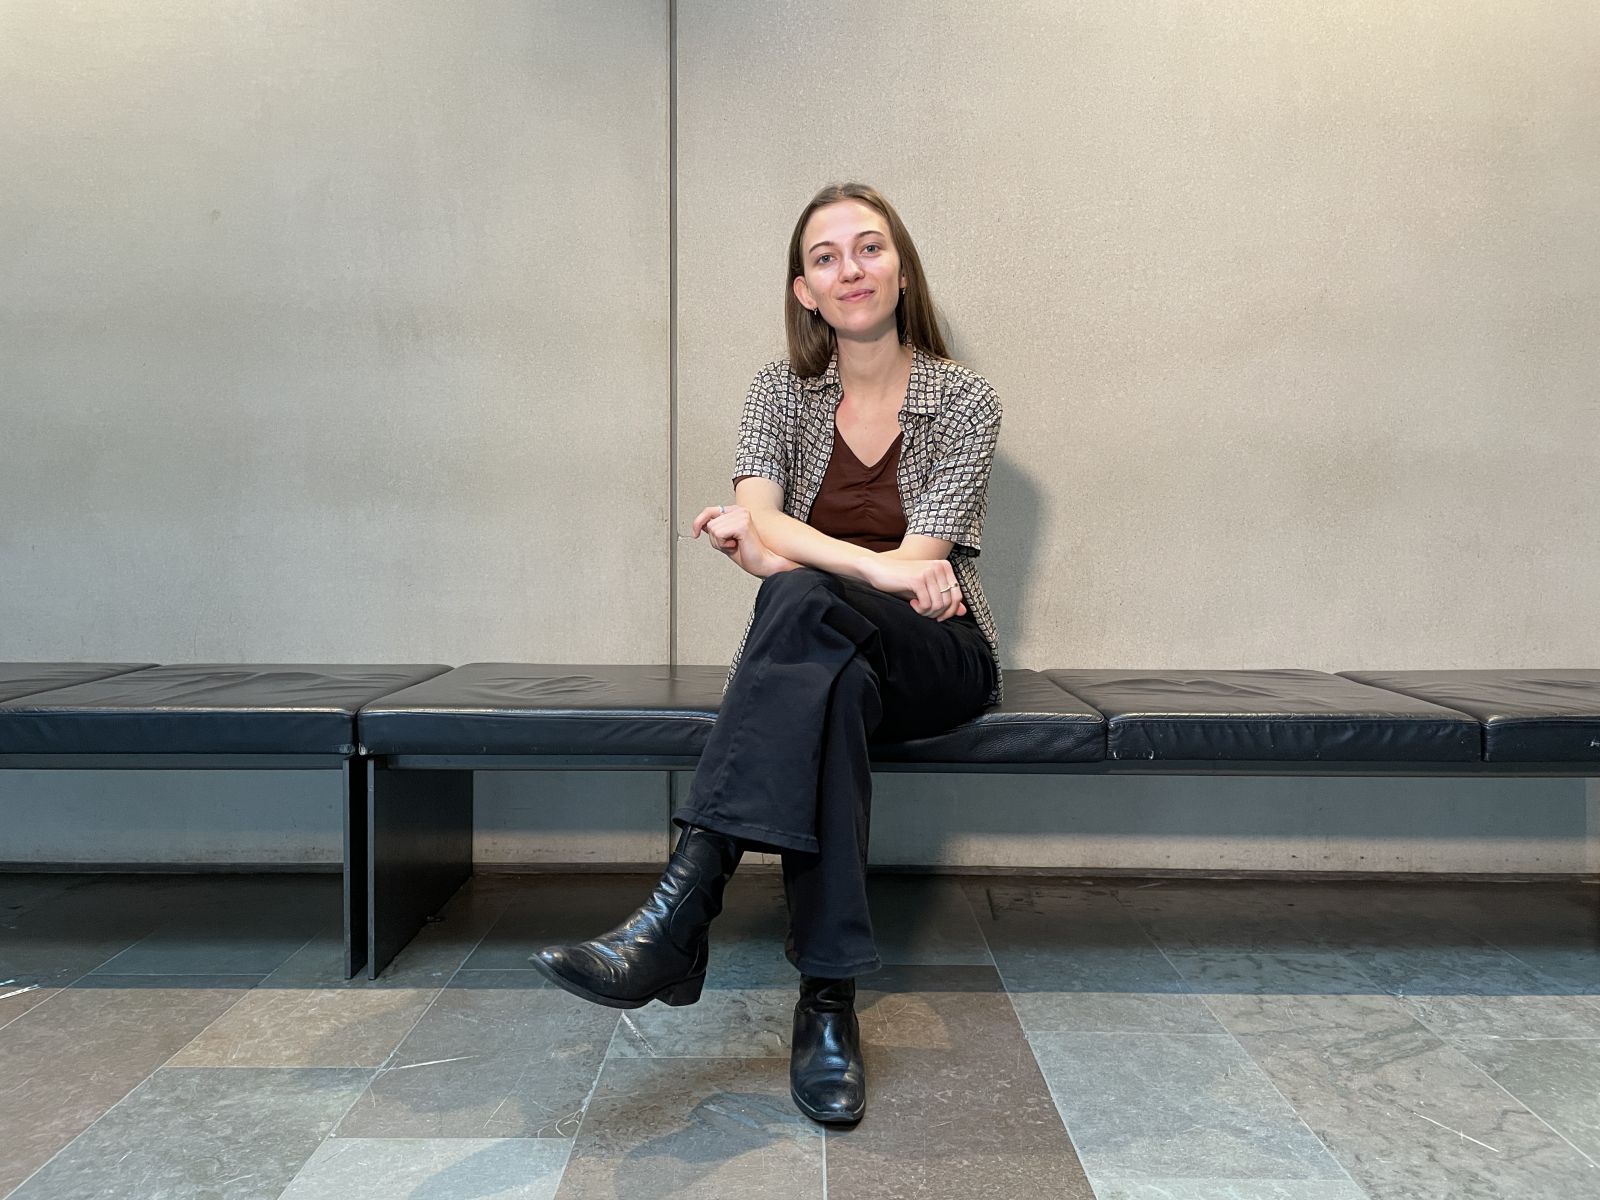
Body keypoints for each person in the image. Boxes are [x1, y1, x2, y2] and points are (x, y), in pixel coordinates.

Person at [530, 182, 1004, 1126]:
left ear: (900, 268)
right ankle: (826, 1002)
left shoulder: (965, 402)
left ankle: (680, 912)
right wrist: (822, 556)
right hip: (836, 659)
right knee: (819, 669)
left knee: (795, 592)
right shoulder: (776, 391)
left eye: (869, 249)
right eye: (827, 258)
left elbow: (913, 574)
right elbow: (792, 539)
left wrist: (790, 547)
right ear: (805, 291)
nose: (851, 270)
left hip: (938, 657)